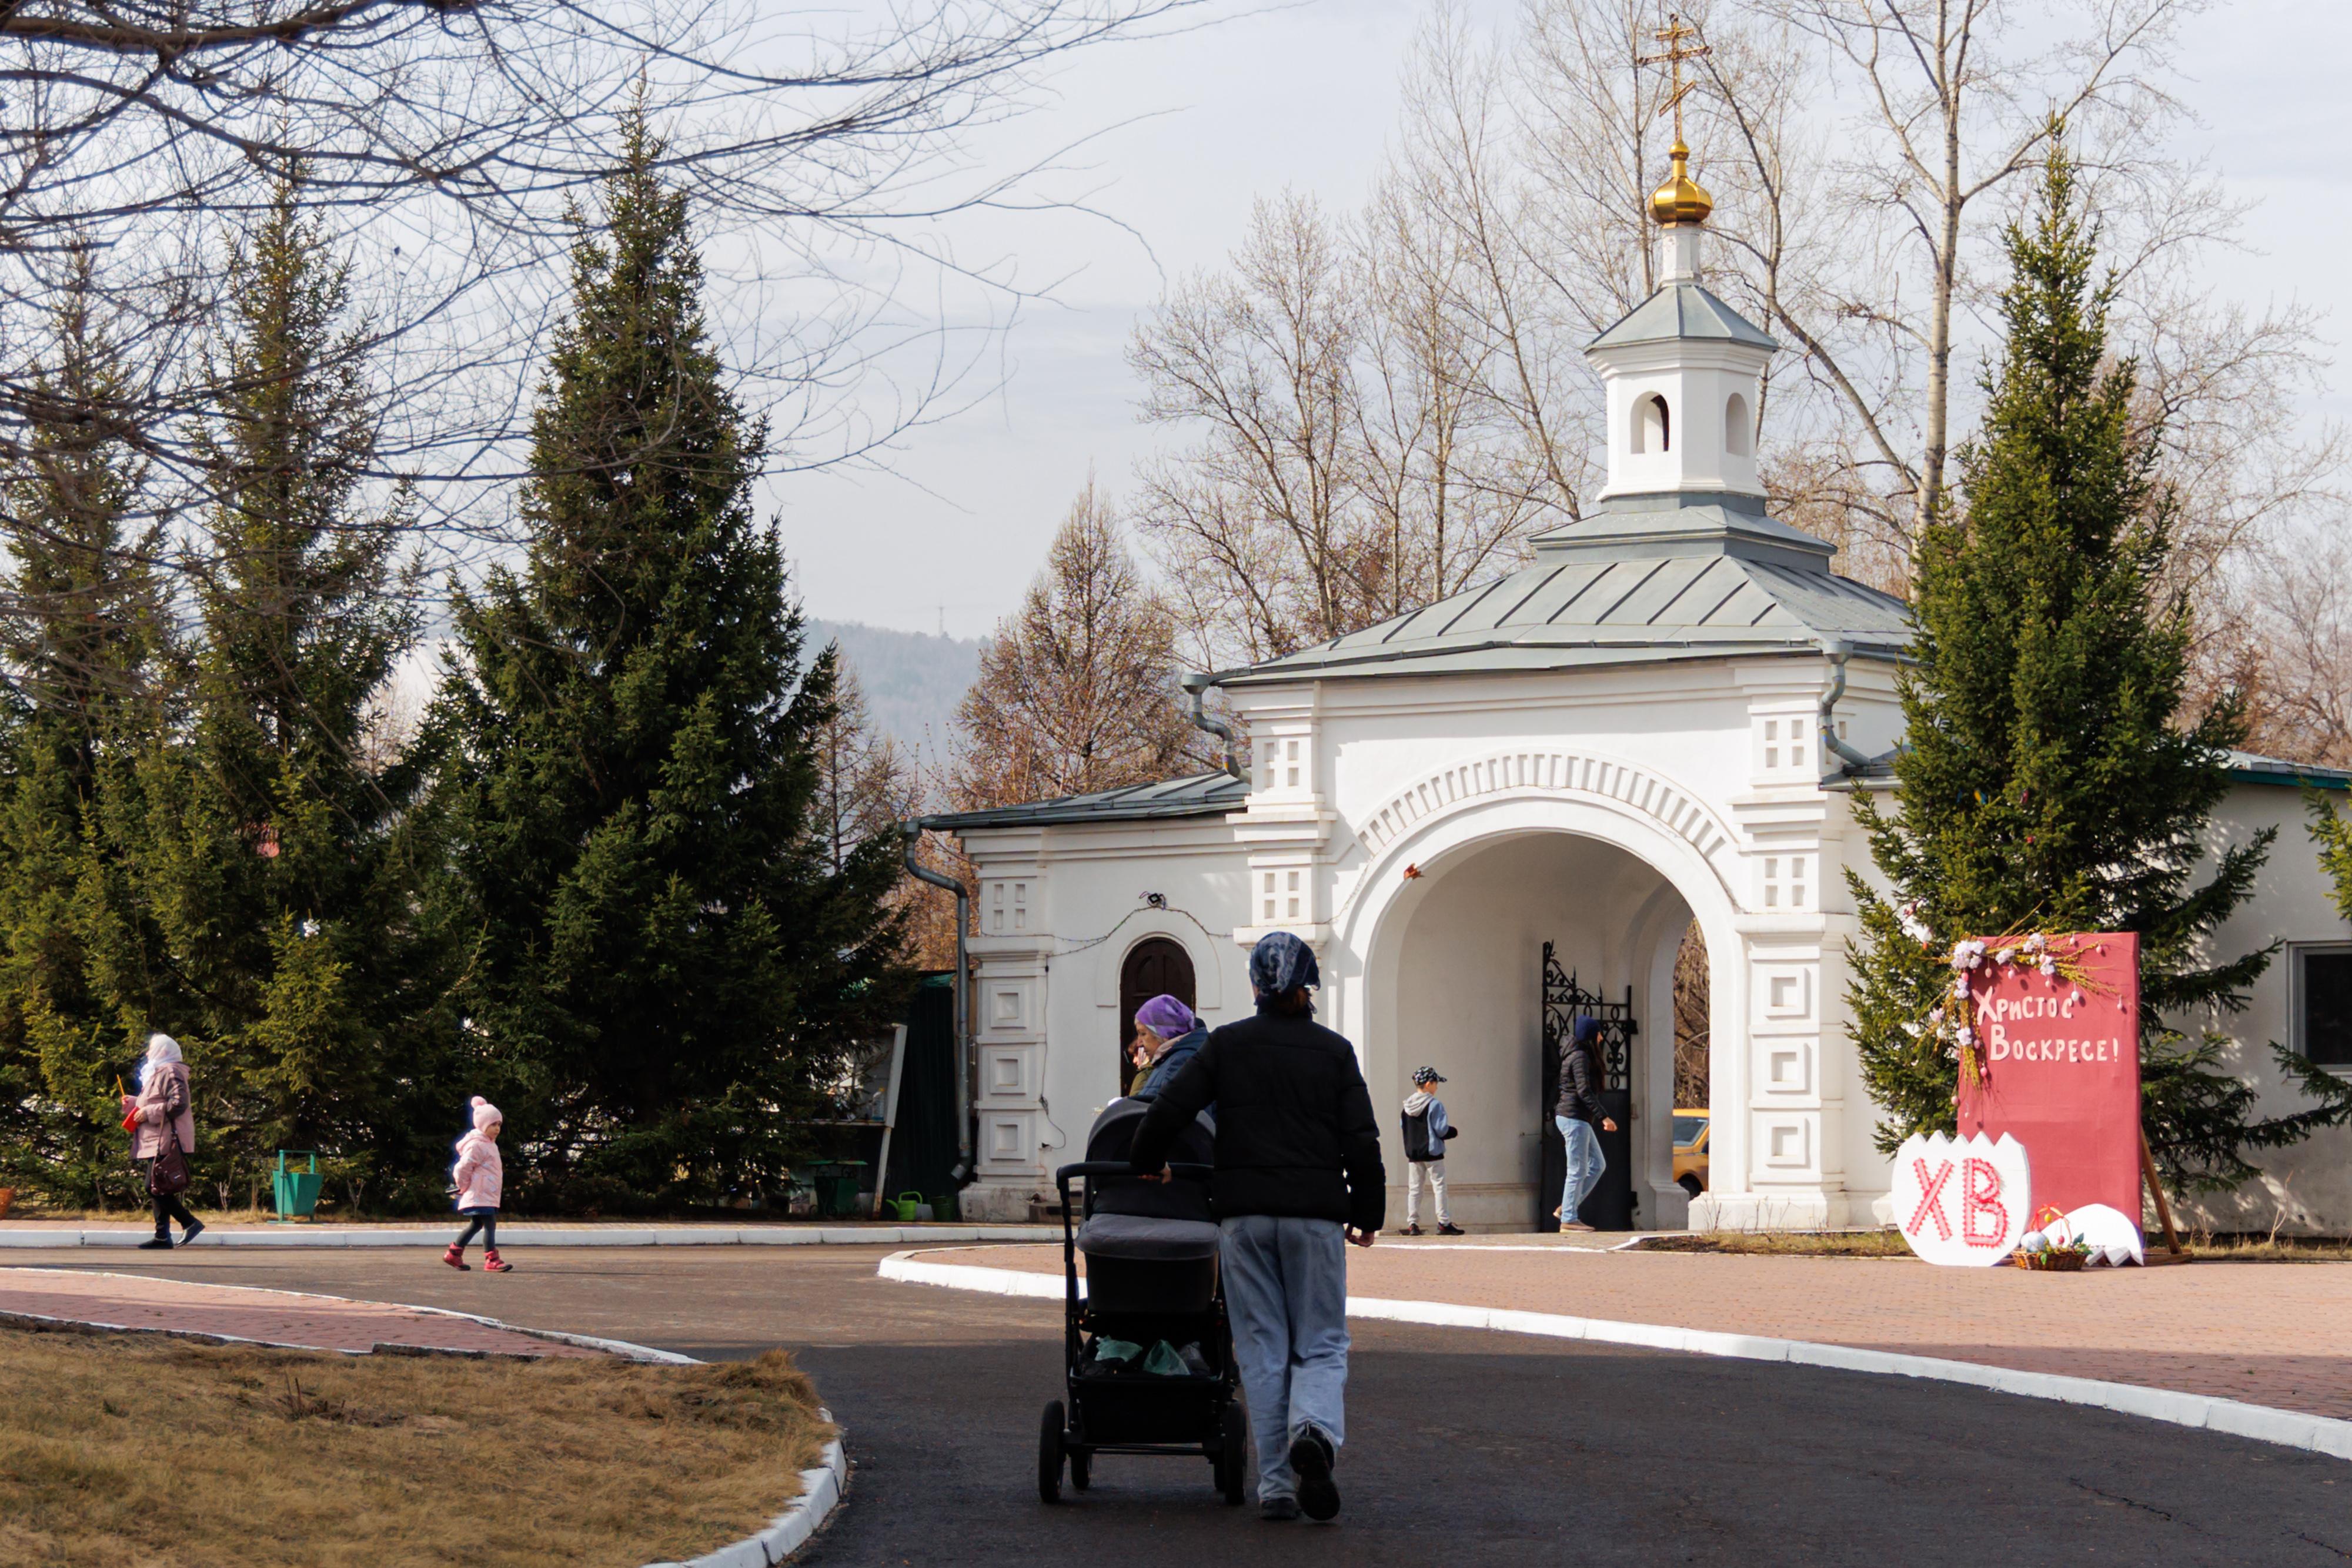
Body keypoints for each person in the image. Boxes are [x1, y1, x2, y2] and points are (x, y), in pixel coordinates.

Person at [1130, 931, 1383, 1524]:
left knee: (1262, 1348)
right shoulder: (1335, 1051)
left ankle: (1275, 1488)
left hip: (1242, 1216)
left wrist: (1145, 1159)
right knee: (1320, 1342)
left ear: (1254, 987)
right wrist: (1367, 1212)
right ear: (1309, 987)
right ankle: (1312, 1432)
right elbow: (1361, 1139)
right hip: (1315, 1216)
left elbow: (1171, 1107)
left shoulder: (1227, 1044)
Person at [122, 1033, 202, 1251]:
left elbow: (179, 1104)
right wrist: (133, 1103)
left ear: (163, 1051)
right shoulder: (158, 1072)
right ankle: (162, 1237)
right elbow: (154, 1100)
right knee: (158, 1186)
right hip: (156, 1138)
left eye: (151, 1049)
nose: (148, 1053)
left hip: (167, 1138)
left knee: (153, 1186)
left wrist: (148, 1112)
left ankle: (189, 1222)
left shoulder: (171, 1071)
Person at [1553, 1017, 1618, 1232]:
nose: (1601, 1038)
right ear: (1591, 1036)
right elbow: (1584, 1091)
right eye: (1598, 1033)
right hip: (1573, 1117)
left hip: (1578, 1118)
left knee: (1597, 1165)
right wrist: (1604, 1117)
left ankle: (1567, 1208)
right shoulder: (1580, 1056)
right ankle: (1569, 1218)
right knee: (1577, 1170)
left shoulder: (1580, 1054)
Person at [443, 1097, 511, 1272]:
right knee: (489, 1224)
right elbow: (462, 1168)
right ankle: (492, 1260)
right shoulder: (478, 1145)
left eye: (499, 1125)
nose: (497, 1129)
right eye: (493, 1125)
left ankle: (454, 1253)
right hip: (480, 1194)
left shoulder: (490, 1145)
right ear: (482, 1125)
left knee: (476, 1224)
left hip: (486, 1194)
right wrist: (462, 1186)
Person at [1398, 1066, 1462, 1236]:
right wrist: (1453, 1131)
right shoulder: (1435, 1104)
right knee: (1439, 1187)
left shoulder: (1406, 1107)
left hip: (1414, 1154)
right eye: (1436, 1083)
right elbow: (1441, 1130)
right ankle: (1443, 1223)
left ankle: (1413, 1224)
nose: (1437, 1087)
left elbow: (1403, 1127)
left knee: (1415, 1189)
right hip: (1433, 1154)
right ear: (1428, 1084)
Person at [1130, 993, 1207, 1099]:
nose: (1139, 1043)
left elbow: (1168, 1108)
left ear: (1164, 1033)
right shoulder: (1169, 1060)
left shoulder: (1180, 1062)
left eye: (1143, 1034)